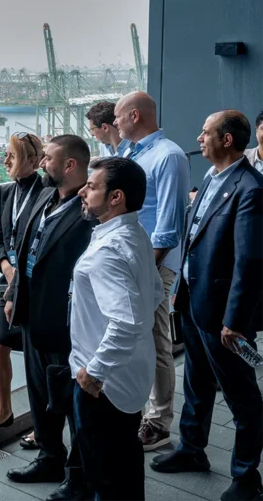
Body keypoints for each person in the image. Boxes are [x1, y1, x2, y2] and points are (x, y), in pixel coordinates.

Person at [152, 111, 263, 501]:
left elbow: (249, 262)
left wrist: (235, 320)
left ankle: (247, 477)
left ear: (226, 140)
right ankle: (192, 449)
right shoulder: (213, 178)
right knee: (196, 383)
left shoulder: (250, 189)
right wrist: (180, 293)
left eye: (205, 133)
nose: (199, 138)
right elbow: (196, 240)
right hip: (194, 303)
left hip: (223, 316)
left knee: (242, 396)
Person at [5, 135, 93, 501]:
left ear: (70, 165)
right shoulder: (44, 196)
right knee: (40, 394)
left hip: (66, 323)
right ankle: (49, 457)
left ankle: (79, 477)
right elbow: (26, 248)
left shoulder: (89, 209)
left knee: (73, 403)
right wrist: (14, 294)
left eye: (48, 158)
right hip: (32, 316)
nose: (42, 163)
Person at [71, 157, 163, 501]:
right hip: (128, 375)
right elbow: (155, 293)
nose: (82, 191)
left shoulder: (108, 250)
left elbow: (126, 322)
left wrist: (94, 373)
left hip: (104, 385)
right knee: (125, 465)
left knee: (106, 478)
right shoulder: (135, 234)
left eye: (91, 186)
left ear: (115, 197)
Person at [113, 90, 190, 450]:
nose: (114, 122)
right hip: (128, 263)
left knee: (158, 341)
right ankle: (135, 408)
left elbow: (169, 227)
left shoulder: (169, 156)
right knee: (131, 337)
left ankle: (158, 422)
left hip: (153, 267)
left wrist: (146, 269)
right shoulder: (130, 153)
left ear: (135, 116)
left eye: (118, 116)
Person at [0, 132, 44, 450]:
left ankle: (42, 422)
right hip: (9, 280)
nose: (5, 161)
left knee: (36, 355)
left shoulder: (47, 193)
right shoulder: (5, 192)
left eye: (12, 155)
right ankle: (4, 410)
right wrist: (6, 268)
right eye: (5, 154)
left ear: (33, 160)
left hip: (34, 282)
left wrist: (20, 274)